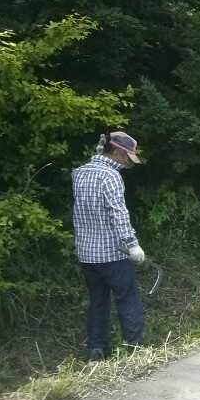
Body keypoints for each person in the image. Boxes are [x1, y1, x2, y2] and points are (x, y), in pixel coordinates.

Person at [72, 131, 146, 361]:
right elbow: (118, 214)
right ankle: (134, 350)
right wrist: (133, 245)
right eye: (126, 158)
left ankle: (98, 350)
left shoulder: (79, 173)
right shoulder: (111, 177)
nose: (126, 163)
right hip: (112, 255)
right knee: (128, 298)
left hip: (87, 255)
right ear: (116, 152)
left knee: (98, 301)